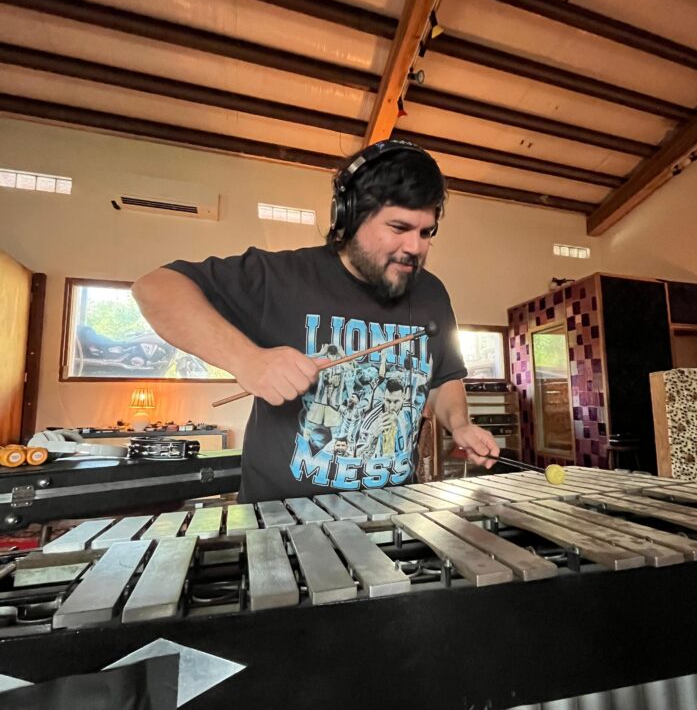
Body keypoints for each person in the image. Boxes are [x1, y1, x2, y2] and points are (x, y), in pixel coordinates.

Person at [132, 139, 499, 501]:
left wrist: (460, 424)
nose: (415, 247)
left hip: (392, 514)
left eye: (426, 232)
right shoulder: (282, 276)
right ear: (350, 216)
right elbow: (156, 289)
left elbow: (443, 378)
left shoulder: (431, 293)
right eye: (399, 228)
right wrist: (247, 360)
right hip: (280, 519)